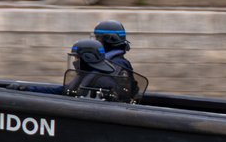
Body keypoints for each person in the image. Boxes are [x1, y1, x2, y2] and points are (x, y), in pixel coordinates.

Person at [13, 19, 141, 102]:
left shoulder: (111, 69)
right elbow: (66, 90)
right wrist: (29, 89)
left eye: (98, 38)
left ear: (109, 39)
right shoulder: (113, 64)